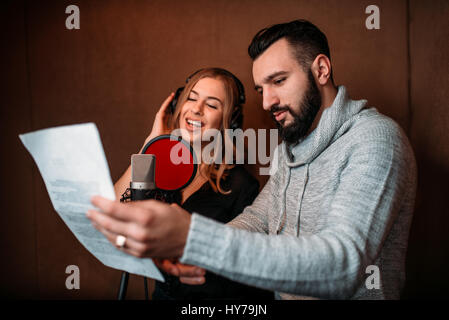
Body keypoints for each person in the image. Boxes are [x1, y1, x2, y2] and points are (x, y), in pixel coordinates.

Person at [87, 20, 417, 299]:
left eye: (279, 81)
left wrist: (194, 237)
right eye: (261, 89)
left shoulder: (375, 138)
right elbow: (257, 220)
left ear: (320, 69)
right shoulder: (291, 150)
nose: (268, 102)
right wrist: (192, 250)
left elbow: (343, 264)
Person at [111, 67, 273, 300]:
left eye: (212, 104)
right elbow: (115, 210)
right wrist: (149, 146)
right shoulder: (159, 168)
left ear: (229, 121)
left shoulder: (241, 185)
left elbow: (245, 266)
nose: (196, 109)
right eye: (191, 98)